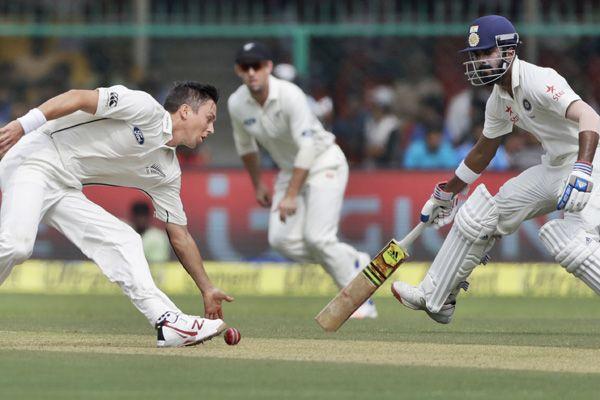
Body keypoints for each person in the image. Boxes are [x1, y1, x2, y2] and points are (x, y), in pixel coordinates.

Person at [391, 15, 600, 324]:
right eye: (475, 55)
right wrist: (446, 194)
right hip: (556, 166)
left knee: (572, 245)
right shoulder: (499, 99)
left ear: (508, 51)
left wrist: (583, 169)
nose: (478, 62)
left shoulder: (539, 79)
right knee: (480, 217)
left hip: (592, 162)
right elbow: (483, 151)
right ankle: (436, 296)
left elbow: (590, 116)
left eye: (485, 53)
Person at [0, 81, 234, 347]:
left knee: (126, 240)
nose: (211, 128)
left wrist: (206, 288)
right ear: (184, 111)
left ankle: (168, 322)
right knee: (18, 245)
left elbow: (179, 235)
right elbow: (78, 97)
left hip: (64, 184)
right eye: (209, 118)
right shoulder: (144, 108)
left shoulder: (168, 171)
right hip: (35, 156)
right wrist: (23, 124)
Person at [227, 42, 377, 319]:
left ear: (268, 67)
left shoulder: (290, 95)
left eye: (257, 66)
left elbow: (307, 148)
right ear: (238, 70)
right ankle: (352, 260)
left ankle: (359, 300)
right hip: (289, 169)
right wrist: (258, 184)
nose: (251, 73)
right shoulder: (237, 103)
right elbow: (246, 147)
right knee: (281, 240)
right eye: (245, 67)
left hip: (323, 162)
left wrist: (291, 194)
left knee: (318, 238)